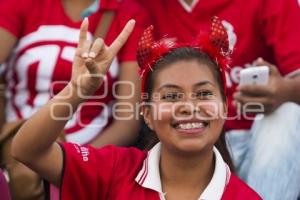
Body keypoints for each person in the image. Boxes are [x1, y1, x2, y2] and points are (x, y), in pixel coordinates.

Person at [11, 17, 262, 199]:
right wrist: (78, 90)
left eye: (204, 93)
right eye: (171, 96)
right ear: (147, 115)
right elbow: (27, 150)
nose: (188, 106)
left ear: (224, 106)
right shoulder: (113, 170)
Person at [137, 0, 300, 199]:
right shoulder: (143, 6)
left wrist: (286, 90)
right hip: (184, 142)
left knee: (289, 112)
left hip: (257, 139)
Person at [0, 0, 149, 199]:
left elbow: (126, 123)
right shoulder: (19, 4)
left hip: (85, 161)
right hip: (13, 159)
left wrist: (70, 164)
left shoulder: (130, 14)